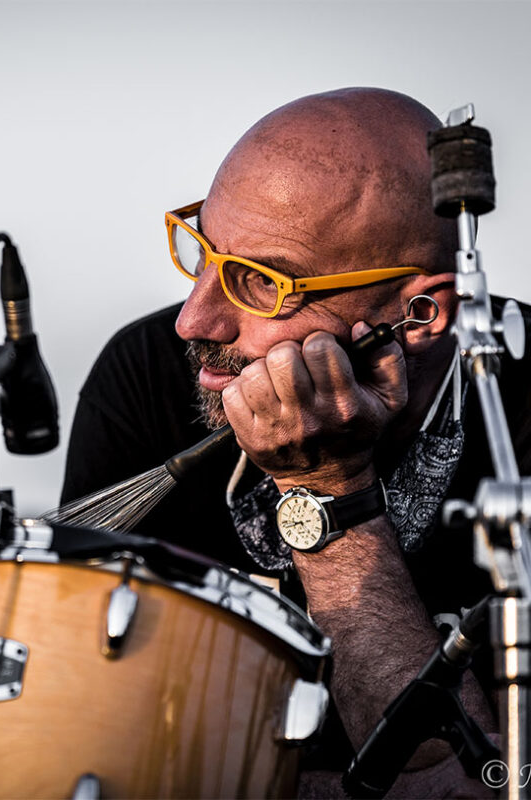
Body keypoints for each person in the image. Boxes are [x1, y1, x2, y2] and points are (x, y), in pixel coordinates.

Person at [61, 87, 531, 797]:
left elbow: (474, 784)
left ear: (422, 313)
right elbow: (83, 735)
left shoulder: (515, 407)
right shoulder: (147, 373)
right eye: (203, 252)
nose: (195, 321)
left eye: (260, 282)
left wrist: (331, 491)